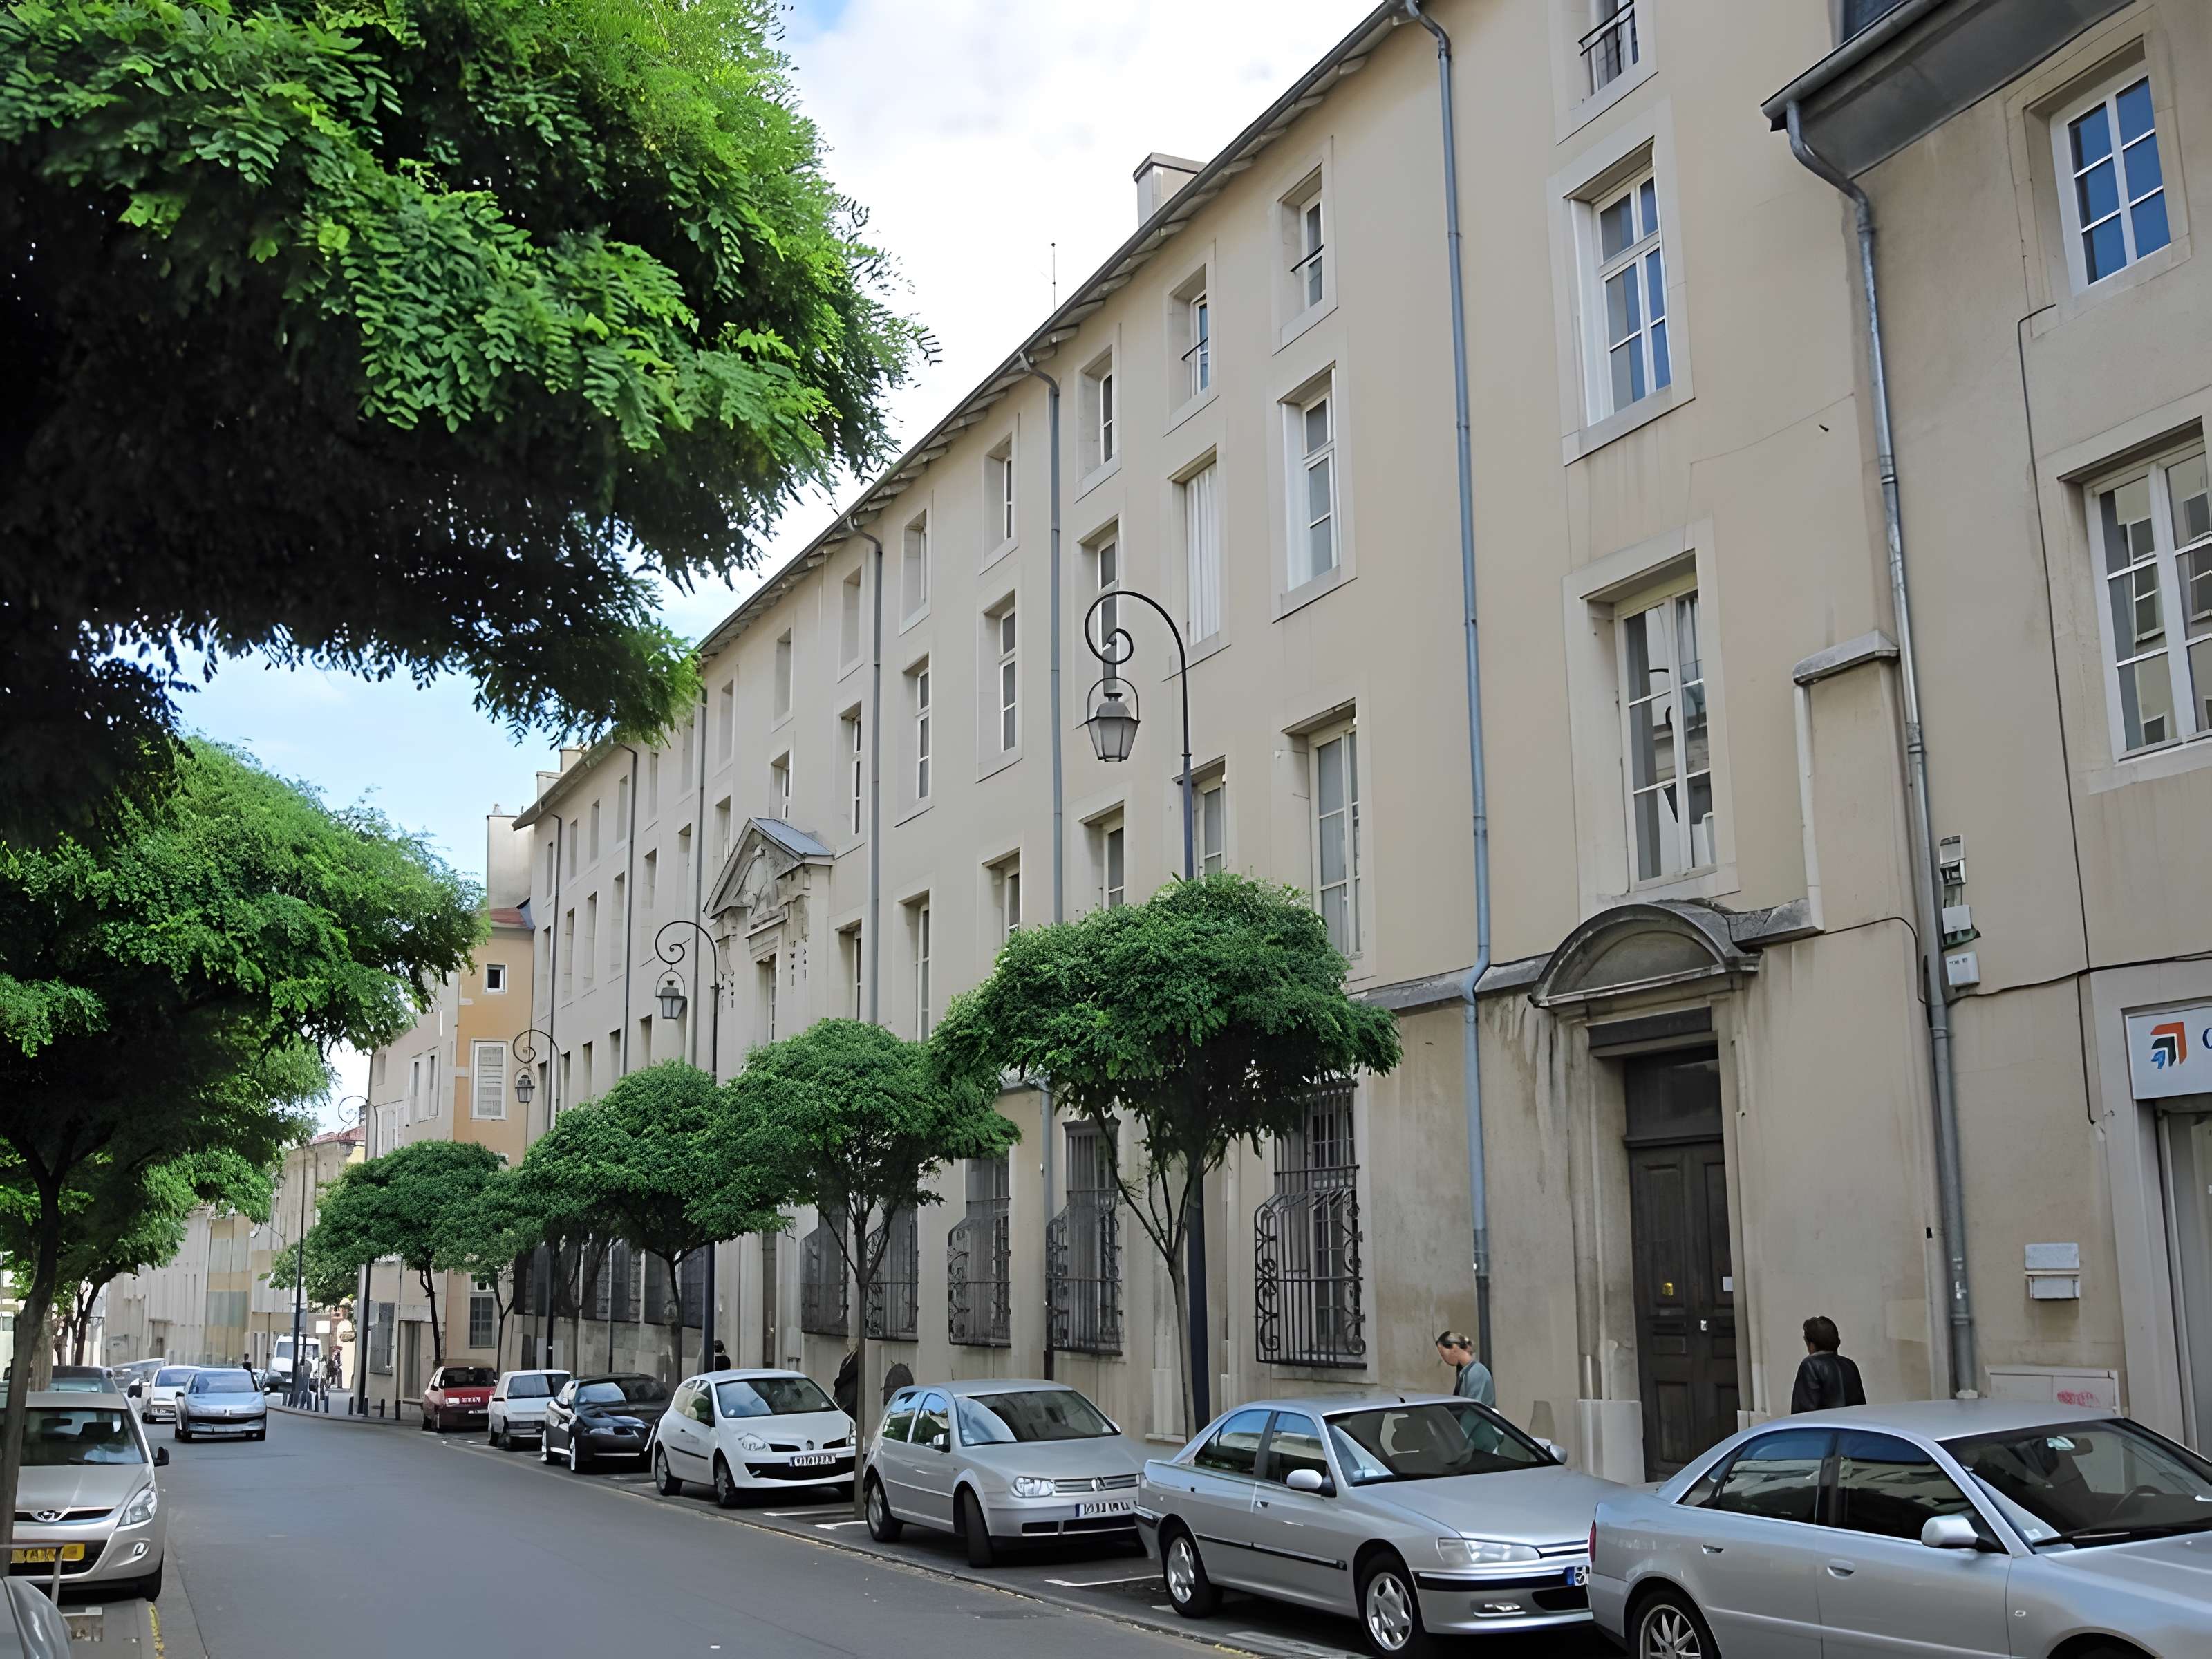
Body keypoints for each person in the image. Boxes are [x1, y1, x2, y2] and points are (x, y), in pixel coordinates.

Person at [1790, 1315, 1867, 1413]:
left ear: (1812, 1345)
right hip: (1851, 1427)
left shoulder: (1810, 1365)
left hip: (1826, 1428)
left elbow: (1803, 1414)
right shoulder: (1850, 1365)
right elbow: (1860, 1408)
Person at [1435, 1330, 1494, 1407]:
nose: (1444, 1359)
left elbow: (1474, 1408)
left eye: (1443, 1354)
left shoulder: (1477, 1372)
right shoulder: (1464, 1372)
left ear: (1454, 1348)